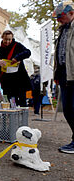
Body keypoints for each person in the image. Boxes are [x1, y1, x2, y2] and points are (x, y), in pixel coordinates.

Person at [52, 1, 74, 153]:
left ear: (71, 13)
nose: (58, 19)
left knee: (72, 108)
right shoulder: (63, 29)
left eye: (61, 16)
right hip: (64, 74)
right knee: (67, 109)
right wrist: (56, 73)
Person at [0, 30, 32, 107]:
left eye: (9, 39)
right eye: (6, 39)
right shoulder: (1, 49)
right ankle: (12, 118)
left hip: (19, 79)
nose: (7, 41)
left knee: (22, 101)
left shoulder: (17, 45)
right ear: (2, 38)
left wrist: (17, 58)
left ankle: (23, 118)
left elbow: (28, 52)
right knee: (10, 100)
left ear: (12, 38)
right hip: (7, 80)